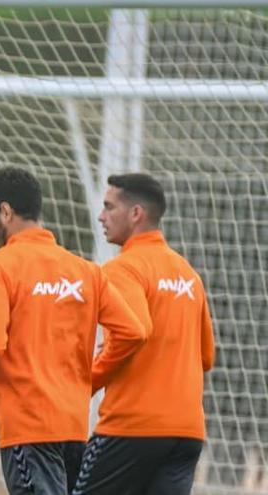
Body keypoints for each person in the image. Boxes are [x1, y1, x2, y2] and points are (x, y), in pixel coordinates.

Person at [0, 166, 146, 495]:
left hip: (28, 430)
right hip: (73, 429)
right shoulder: (85, 271)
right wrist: (89, 380)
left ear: (6, 212)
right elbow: (133, 332)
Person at [72, 173, 215, 495]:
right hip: (186, 431)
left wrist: (83, 384)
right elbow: (206, 356)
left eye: (109, 207)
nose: (101, 216)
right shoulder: (187, 274)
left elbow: (132, 334)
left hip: (131, 427)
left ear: (136, 213)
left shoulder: (123, 269)